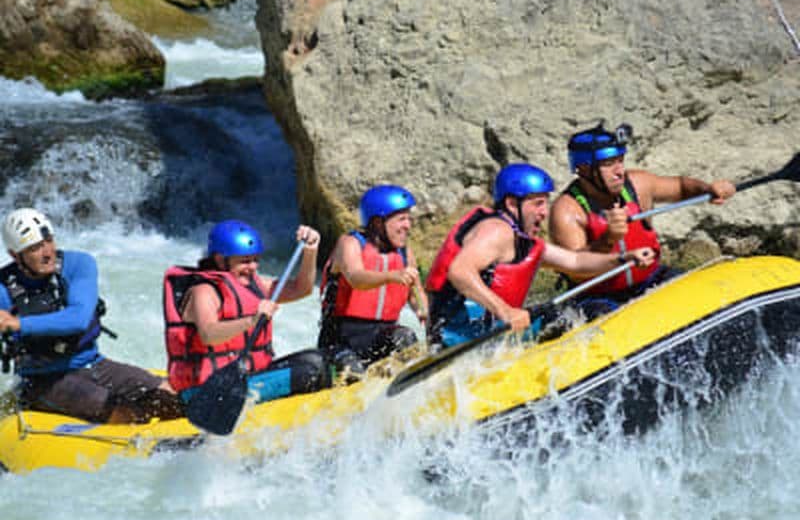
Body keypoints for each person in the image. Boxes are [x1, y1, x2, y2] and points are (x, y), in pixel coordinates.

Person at [426, 163, 656, 349]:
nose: (544, 212)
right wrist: (505, 311)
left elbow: (575, 261)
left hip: (494, 335)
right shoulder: (495, 231)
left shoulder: (524, 241)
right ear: (512, 204)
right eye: (537, 204)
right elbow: (460, 271)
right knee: (589, 312)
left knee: (586, 310)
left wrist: (624, 259)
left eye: (546, 203)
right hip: (457, 340)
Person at [0, 208, 183, 424]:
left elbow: (78, 319)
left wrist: (17, 323)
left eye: (48, 241)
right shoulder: (3, 288)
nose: (47, 252)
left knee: (171, 397)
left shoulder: (78, 264)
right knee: (127, 414)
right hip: (43, 382)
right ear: (15, 255)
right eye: (35, 248)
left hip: (94, 364)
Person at [548, 122, 736, 318]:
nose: (619, 171)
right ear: (584, 169)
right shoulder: (567, 211)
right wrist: (607, 240)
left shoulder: (638, 184)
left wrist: (708, 189)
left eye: (620, 160)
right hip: (598, 296)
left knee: (700, 294)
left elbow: (680, 187)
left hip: (650, 279)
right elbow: (576, 269)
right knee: (601, 316)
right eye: (609, 164)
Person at [164, 219, 331, 406]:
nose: (253, 267)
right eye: (244, 261)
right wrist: (252, 320)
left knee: (319, 359)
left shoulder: (252, 285)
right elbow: (208, 334)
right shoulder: (203, 291)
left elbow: (301, 289)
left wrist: (310, 251)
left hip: (247, 378)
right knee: (310, 370)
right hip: (206, 391)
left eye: (255, 260)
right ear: (220, 259)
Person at [318, 184, 428, 375]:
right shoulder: (350, 244)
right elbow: (356, 278)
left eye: (409, 219)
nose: (408, 225)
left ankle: (413, 380)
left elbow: (415, 293)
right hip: (341, 339)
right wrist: (391, 276)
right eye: (401, 219)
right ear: (378, 222)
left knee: (405, 337)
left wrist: (424, 313)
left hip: (381, 336)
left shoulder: (404, 253)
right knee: (352, 368)